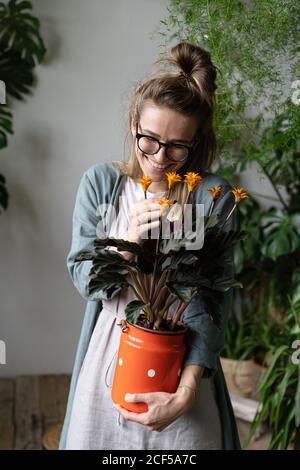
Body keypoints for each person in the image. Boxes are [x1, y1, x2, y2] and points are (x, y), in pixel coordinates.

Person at [60, 42, 241, 450]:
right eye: (150, 140)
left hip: (183, 379)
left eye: (178, 146)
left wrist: (187, 391)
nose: (160, 158)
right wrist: (129, 242)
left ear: (196, 144)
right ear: (133, 124)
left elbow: (213, 304)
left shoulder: (209, 195)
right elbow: (88, 283)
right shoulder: (102, 184)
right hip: (110, 364)